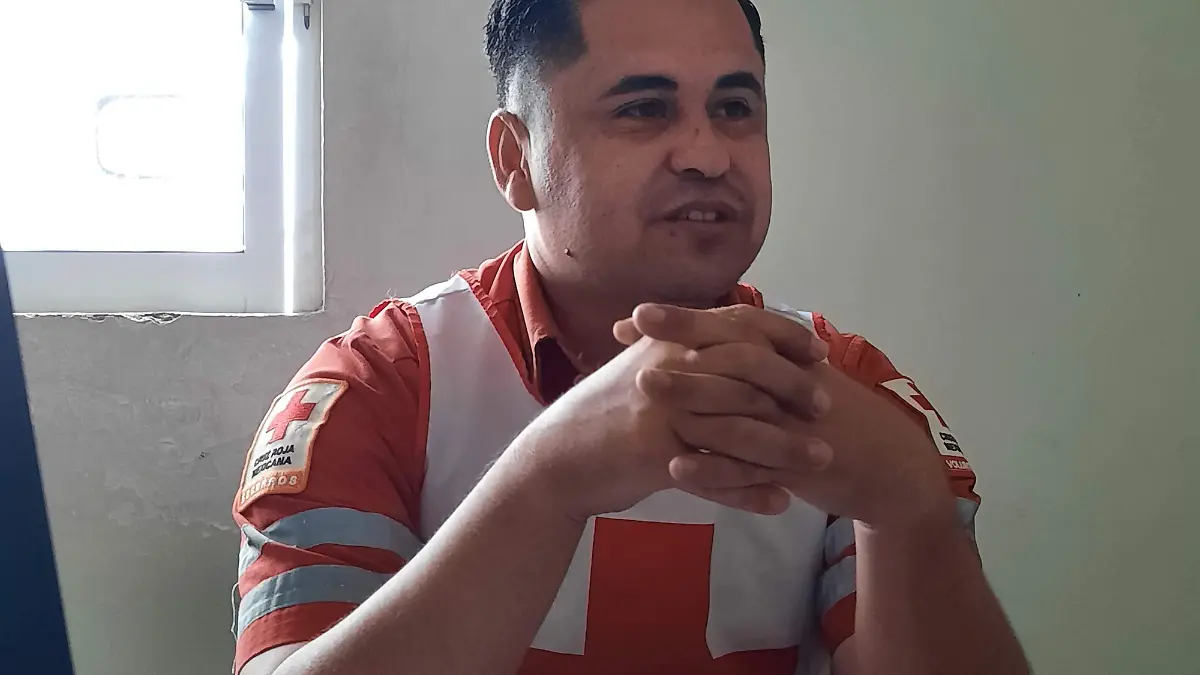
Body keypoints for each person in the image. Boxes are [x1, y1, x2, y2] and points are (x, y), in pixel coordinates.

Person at [231, 1, 1029, 674]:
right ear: (515, 159)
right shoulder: (381, 386)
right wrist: (546, 481)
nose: (708, 155)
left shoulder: (848, 393)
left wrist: (910, 512)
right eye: (644, 108)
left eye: (735, 109)